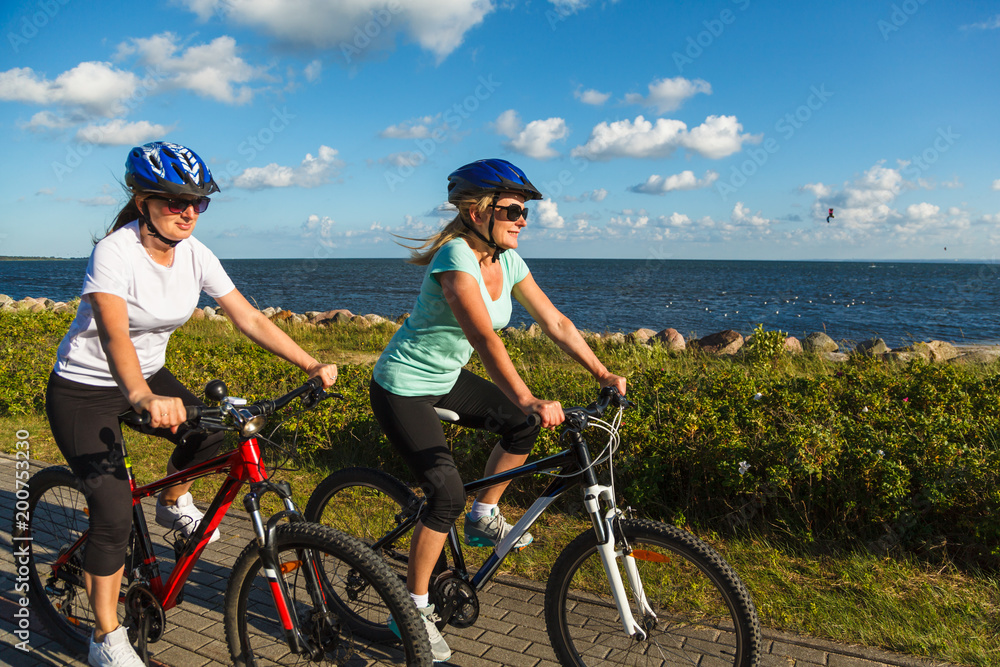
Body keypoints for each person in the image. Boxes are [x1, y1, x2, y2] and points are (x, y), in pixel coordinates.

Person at [45, 141, 338, 667]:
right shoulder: (115, 252)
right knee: (111, 514)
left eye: (199, 202)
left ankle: (171, 502)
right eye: (174, 201)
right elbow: (114, 338)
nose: (187, 212)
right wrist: (141, 396)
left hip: (149, 377)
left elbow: (248, 318)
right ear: (143, 203)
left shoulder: (196, 255)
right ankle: (105, 638)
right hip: (85, 388)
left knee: (217, 432)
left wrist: (310, 363)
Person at [370, 158, 626, 661]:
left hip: (443, 381)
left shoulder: (508, 262)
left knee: (521, 425)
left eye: (526, 211)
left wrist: (602, 372)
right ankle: (413, 611)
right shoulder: (454, 259)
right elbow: (483, 337)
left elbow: (556, 322)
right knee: (444, 493)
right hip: (402, 386)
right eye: (513, 209)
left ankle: (484, 514)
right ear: (475, 210)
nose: (523, 219)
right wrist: (527, 394)